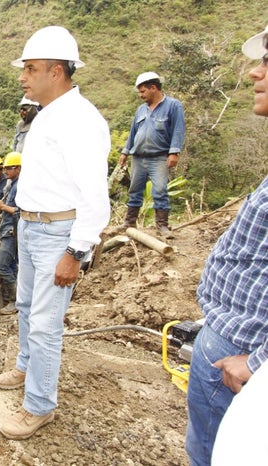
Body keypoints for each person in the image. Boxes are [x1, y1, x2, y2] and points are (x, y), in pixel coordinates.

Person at [0, 26, 110, 440]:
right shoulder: (47, 115)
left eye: (31, 69)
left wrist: (75, 252)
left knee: (45, 324)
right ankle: (26, 366)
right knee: (27, 306)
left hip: (58, 232)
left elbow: (95, 195)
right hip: (31, 224)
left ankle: (40, 405)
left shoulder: (81, 120)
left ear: (56, 71)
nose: (22, 76)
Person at [185, 25, 268, 466]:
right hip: (229, 345)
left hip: (238, 361)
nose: (255, 72)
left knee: (212, 455)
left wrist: (257, 362)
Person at [118, 71, 186, 238]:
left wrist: (174, 152)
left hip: (159, 156)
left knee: (160, 190)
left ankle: (162, 226)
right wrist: (125, 152)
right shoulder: (141, 110)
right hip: (138, 157)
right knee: (134, 189)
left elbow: (178, 130)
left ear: (153, 88)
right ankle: (129, 222)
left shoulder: (173, 106)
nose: (141, 95)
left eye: (143, 91)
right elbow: (133, 132)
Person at [0, 152, 21, 315]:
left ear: (19, 168)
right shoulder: (12, 185)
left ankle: (15, 301)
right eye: (5, 168)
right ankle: (14, 298)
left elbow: (21, 212)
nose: (5, 171)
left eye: (9, 168)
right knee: (11, 265)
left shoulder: (19, 186)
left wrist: (2, 207)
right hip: (8, 230)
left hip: (12, 232)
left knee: (1, 266)